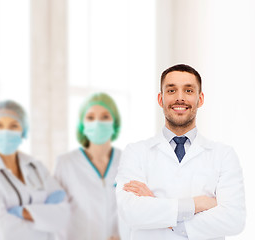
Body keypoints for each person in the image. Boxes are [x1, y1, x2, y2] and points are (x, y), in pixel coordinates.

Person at [115, 64, 246, 240]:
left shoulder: (223, 155)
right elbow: (130, 212)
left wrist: (158, 210)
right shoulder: (136, 152)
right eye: (171, 91)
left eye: (188, 91)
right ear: (161, 99)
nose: (180, 98)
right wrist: (197, 204)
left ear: (200, 99)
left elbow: (233, 219)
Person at [0, 100, 69, 240]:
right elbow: (3, 230)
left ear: (23, 131)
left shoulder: (36, 167)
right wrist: (43, 219)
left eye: (13, 126)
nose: (5, 132)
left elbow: (62, 215)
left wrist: (20, 213)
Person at [54, 93, 123, 240]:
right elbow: (55, 217)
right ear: (82, 124)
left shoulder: (127, 161)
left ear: (114, 122)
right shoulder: (66, 164)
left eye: (105, 117)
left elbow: (138, 211)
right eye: (90, 118)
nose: (97, 123)